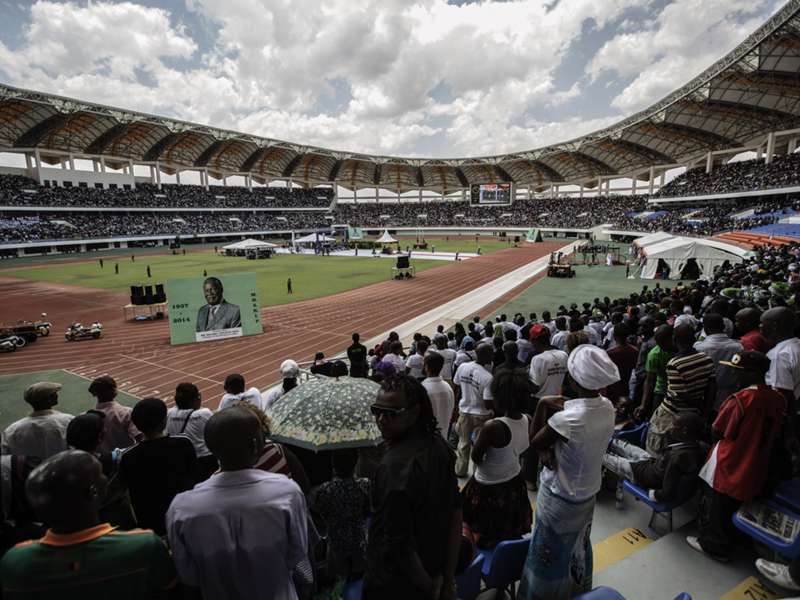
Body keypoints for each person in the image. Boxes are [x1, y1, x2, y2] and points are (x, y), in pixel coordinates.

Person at [166, 407, 308, 600]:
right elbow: (297, 552)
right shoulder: (287, 492)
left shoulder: (181, 508)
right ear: (255, 444)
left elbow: (188, 574)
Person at [0, 451, 175, 597]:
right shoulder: (143, 544)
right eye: (101, 474)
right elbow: (169, 589)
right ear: (93, 491)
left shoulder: (15, 562)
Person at [518, 345, 617, 600]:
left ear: (573, 378)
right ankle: (576, 590)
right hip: (587, 494)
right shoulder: (607, 407)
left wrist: (541, 405)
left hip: (559, 496)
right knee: (577, 546)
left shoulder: (566, 420)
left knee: (547, 555)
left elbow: (536, 441)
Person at [363, 375, 462, 600]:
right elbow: (456, 512)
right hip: (434, 567)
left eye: (391, 413)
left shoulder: (392, 469)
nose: (381, 419)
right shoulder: (439, 445)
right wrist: (448, 578)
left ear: (415, 412)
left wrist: (431, 589)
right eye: (376, 410)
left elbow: (401, 546)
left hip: (397, 584)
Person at [687, 351, 786, 562]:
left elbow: (719, 430)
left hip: (730, 460)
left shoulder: (741, 398)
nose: (735, 375)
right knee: (737, 504)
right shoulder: (777, 398)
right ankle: (736, 540)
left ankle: (714, 546)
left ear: (752, 373)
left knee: (717, 504)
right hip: (757, 461)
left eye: (738, 371)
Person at [462, 369, 532, 549]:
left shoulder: (493, 427)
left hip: (488, 486)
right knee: (507, 528)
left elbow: (476, 457)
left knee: (481, 531)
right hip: (514, 481)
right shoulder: (527, 419)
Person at [119, 398, 198, 535]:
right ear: (164, 421)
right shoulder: (183, 443)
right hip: (185, 514)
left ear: (137, 426)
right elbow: (196, 476)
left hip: (151, 522)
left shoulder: (128, 456)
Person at [603, 412, 707, 504]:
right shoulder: (697, 447)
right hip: (652, 463)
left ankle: (598, 450)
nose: (669, 427)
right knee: (624, 446)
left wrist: (650, 492)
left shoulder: (677, 459)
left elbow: (667, 494)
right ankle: (606, 442)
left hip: (641, 475)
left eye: (674, 425)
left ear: (684, 431)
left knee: (608, 459)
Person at [647, 325, 715, 456]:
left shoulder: (674, 364)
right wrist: (705, 409)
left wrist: (699, 405)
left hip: (672, 414)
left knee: (658, 448)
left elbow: (678, 394)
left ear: (674, 339)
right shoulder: (706, 359)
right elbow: (712, 387)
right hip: (693, 413)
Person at [311, 449, 371, 582]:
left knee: (338, 585)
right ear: (355, 462)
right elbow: (368, 511)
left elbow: (321, 513)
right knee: (358, 582)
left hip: (336, 544)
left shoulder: (325, 490)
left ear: (333, 465)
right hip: (359, 542)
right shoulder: (364, 485)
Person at [453, 343, 494, 477]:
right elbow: (488, 403)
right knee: (479, 445)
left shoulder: (463, 367)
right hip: (481, 415)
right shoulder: (487, 377)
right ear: (486, 355)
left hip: (464, 411)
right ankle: (477, 472)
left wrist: (456, 407)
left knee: (463, 443)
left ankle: (460, 470)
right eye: (491, 353)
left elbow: (457, 387)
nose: (492, 355)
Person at [2, 382, 73, 459]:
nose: (57, 395)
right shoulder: (68, 420)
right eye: (55, 393)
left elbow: (5, 454)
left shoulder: (13, 429)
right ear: (49, 399)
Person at [166, 382, 218, 481]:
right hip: (203, 459)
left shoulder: (169, 413)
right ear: (196, 399)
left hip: (180, 459)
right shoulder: (204, 413)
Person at [694, 313, 742, 409]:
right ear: (723, 327)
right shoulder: (739, 347)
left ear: (705, 328)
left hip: (704, 396)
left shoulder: (698, 347)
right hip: (730, 396)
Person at [761, 307, 800, 416]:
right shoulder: (796, 345)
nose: (760, 327)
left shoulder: (780, 355)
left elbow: (782, 394)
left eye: (762, 323)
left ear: (774, 325)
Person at [635, 325, 674, 421]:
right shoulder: (654, 354)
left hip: (678, 393)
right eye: (659, 343)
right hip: (661, 391)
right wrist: (643, 405)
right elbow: (649, 381)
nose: (661, 346)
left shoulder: (681, 350)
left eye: (663, 343)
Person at [90, 375, 139, 453]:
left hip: (100, 460)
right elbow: (139, 437)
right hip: (123, 459)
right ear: (114, 391)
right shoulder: (127, 413)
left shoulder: (87, 416)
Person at [421, 351, 455, 439]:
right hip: (443, 434)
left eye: (423, 363)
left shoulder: (423, 388)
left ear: (427, 367)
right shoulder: (448, 387)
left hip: (427, 438)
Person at [528, 325, 568, 399]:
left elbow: (534, 388)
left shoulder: (538, 359)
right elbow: (565, 379)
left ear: (535, 340)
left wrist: (526, 375)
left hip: (542, 401)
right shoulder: (563, 354)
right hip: (558, 398)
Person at [605, 324, 638, 407]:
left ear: (614, 335)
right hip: (626, 384)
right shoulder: (634, 350)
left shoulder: (610, 352)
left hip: (612, 387)